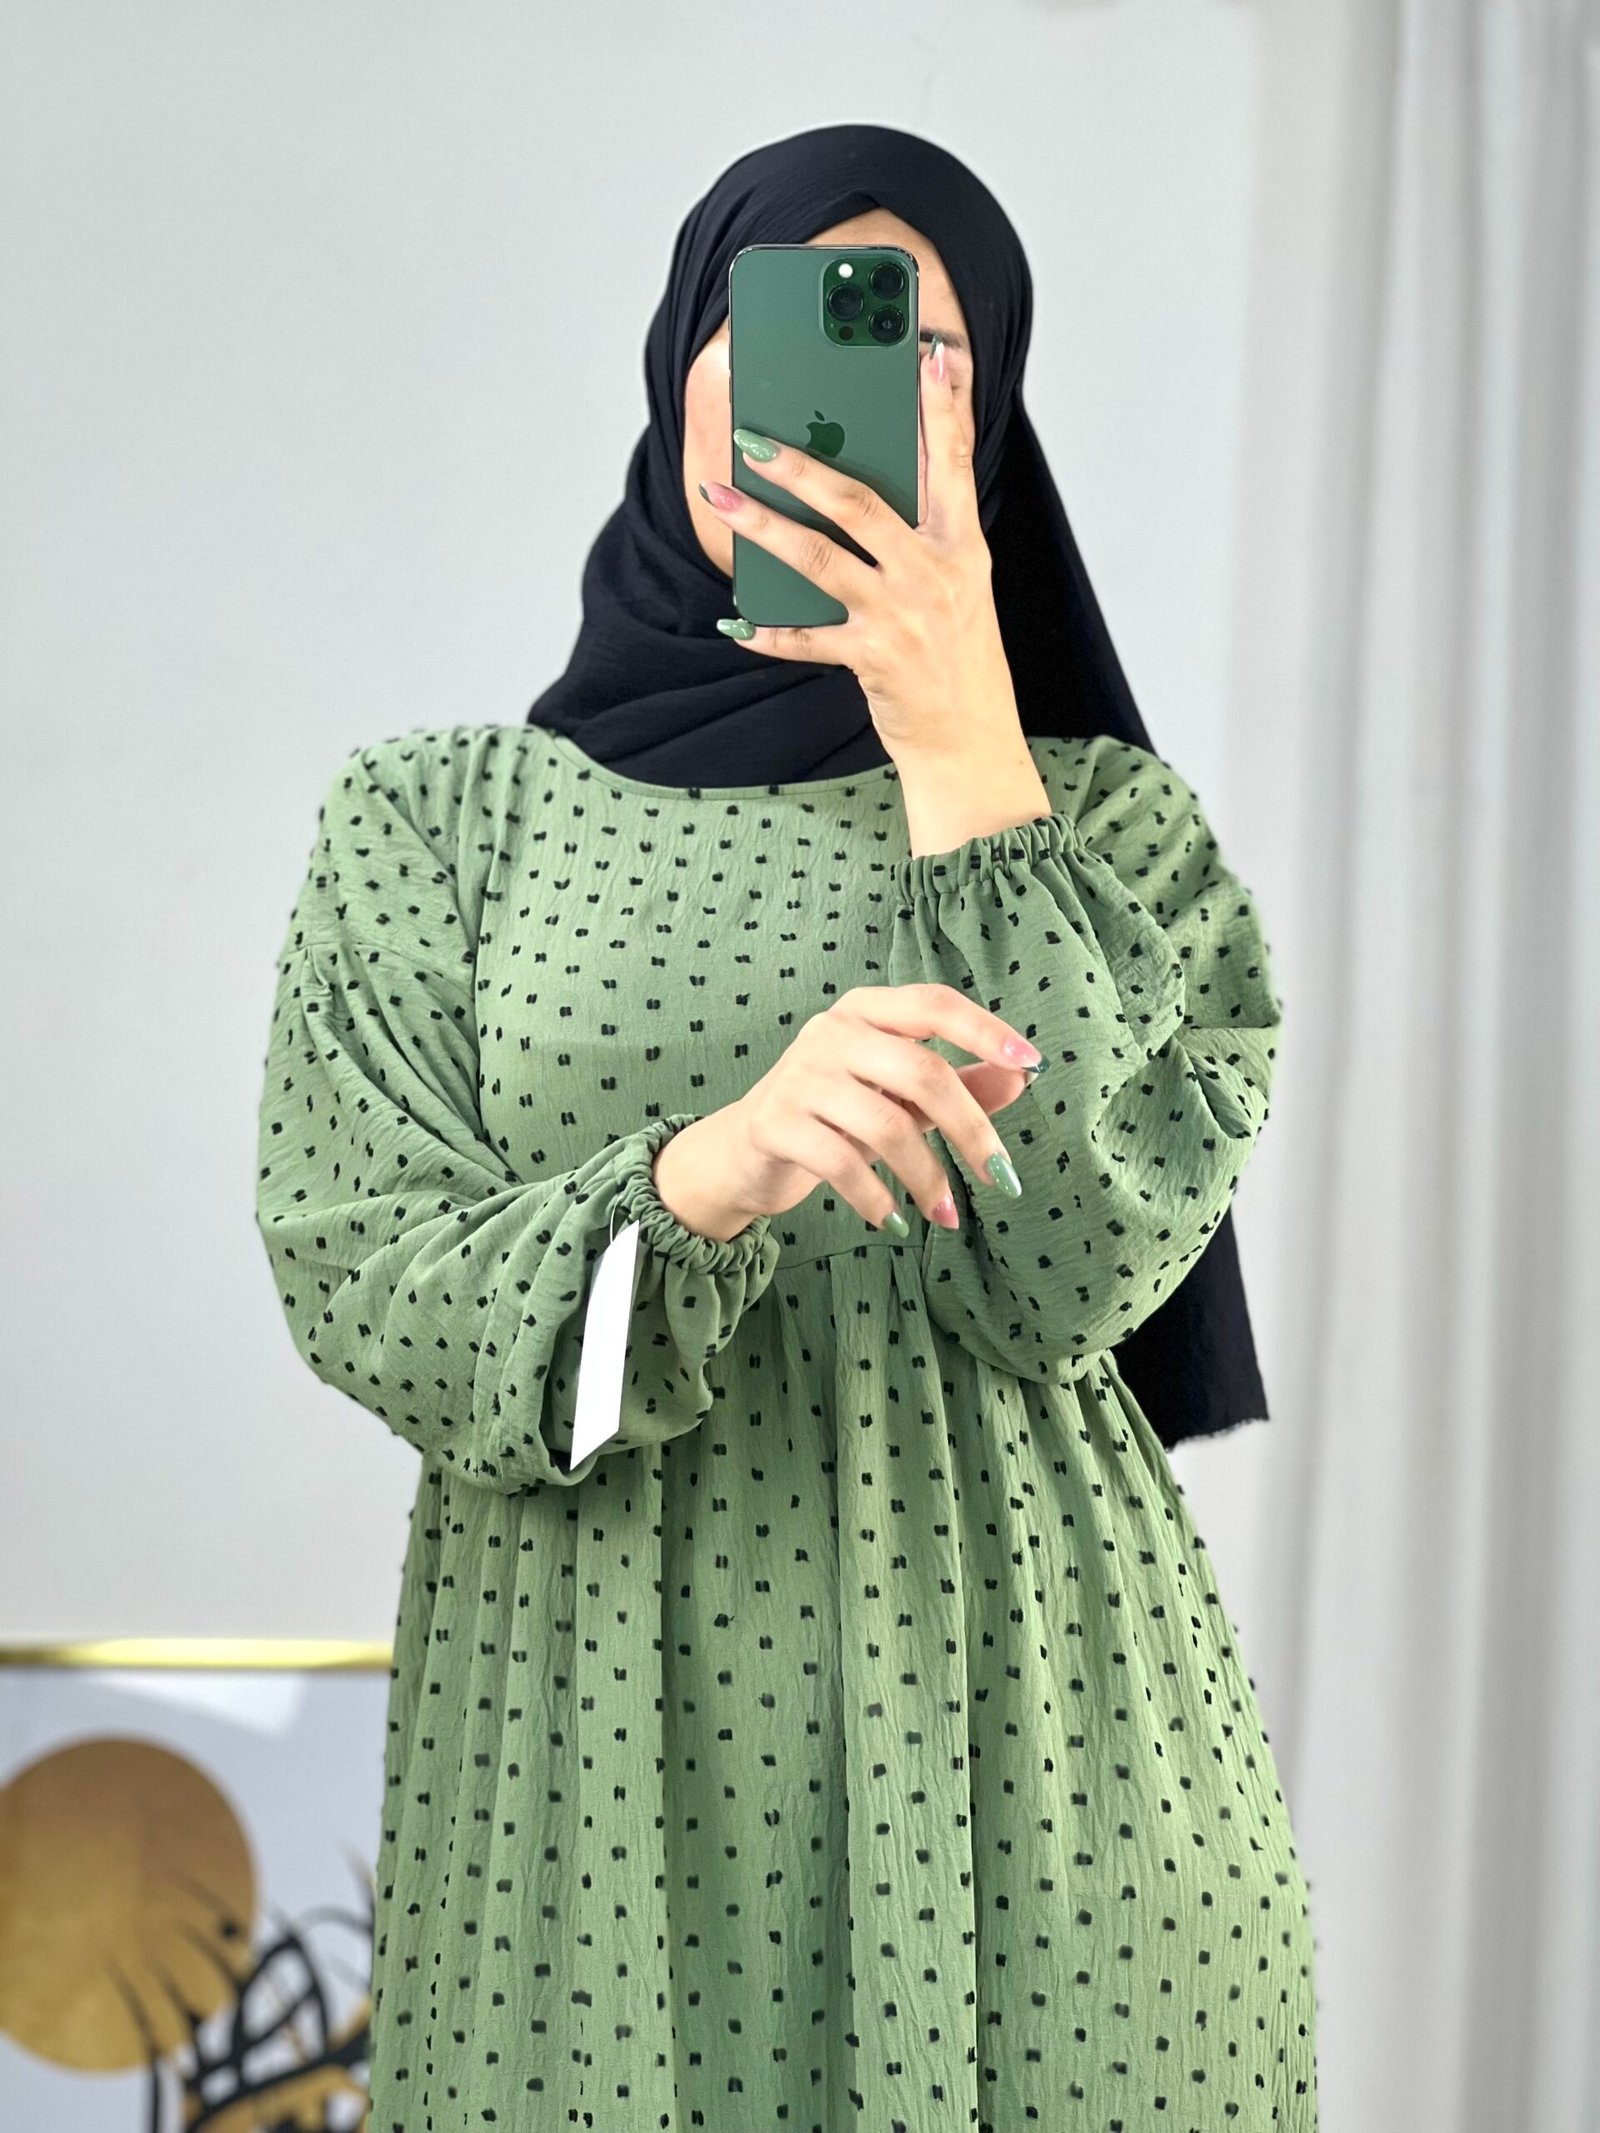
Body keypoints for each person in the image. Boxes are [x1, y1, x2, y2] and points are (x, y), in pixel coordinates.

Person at [256, 124, 1318, 2130]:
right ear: (685, 358)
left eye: (925, 347)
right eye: (799, 318)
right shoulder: (438, 826)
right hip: (587, 1774)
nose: (851, 384)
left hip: (1036, 1776)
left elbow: (1076, 1274)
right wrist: (703, 1176)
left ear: (988, 420)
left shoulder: (1106, 830)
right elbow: (364, 1272)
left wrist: (963, 742)